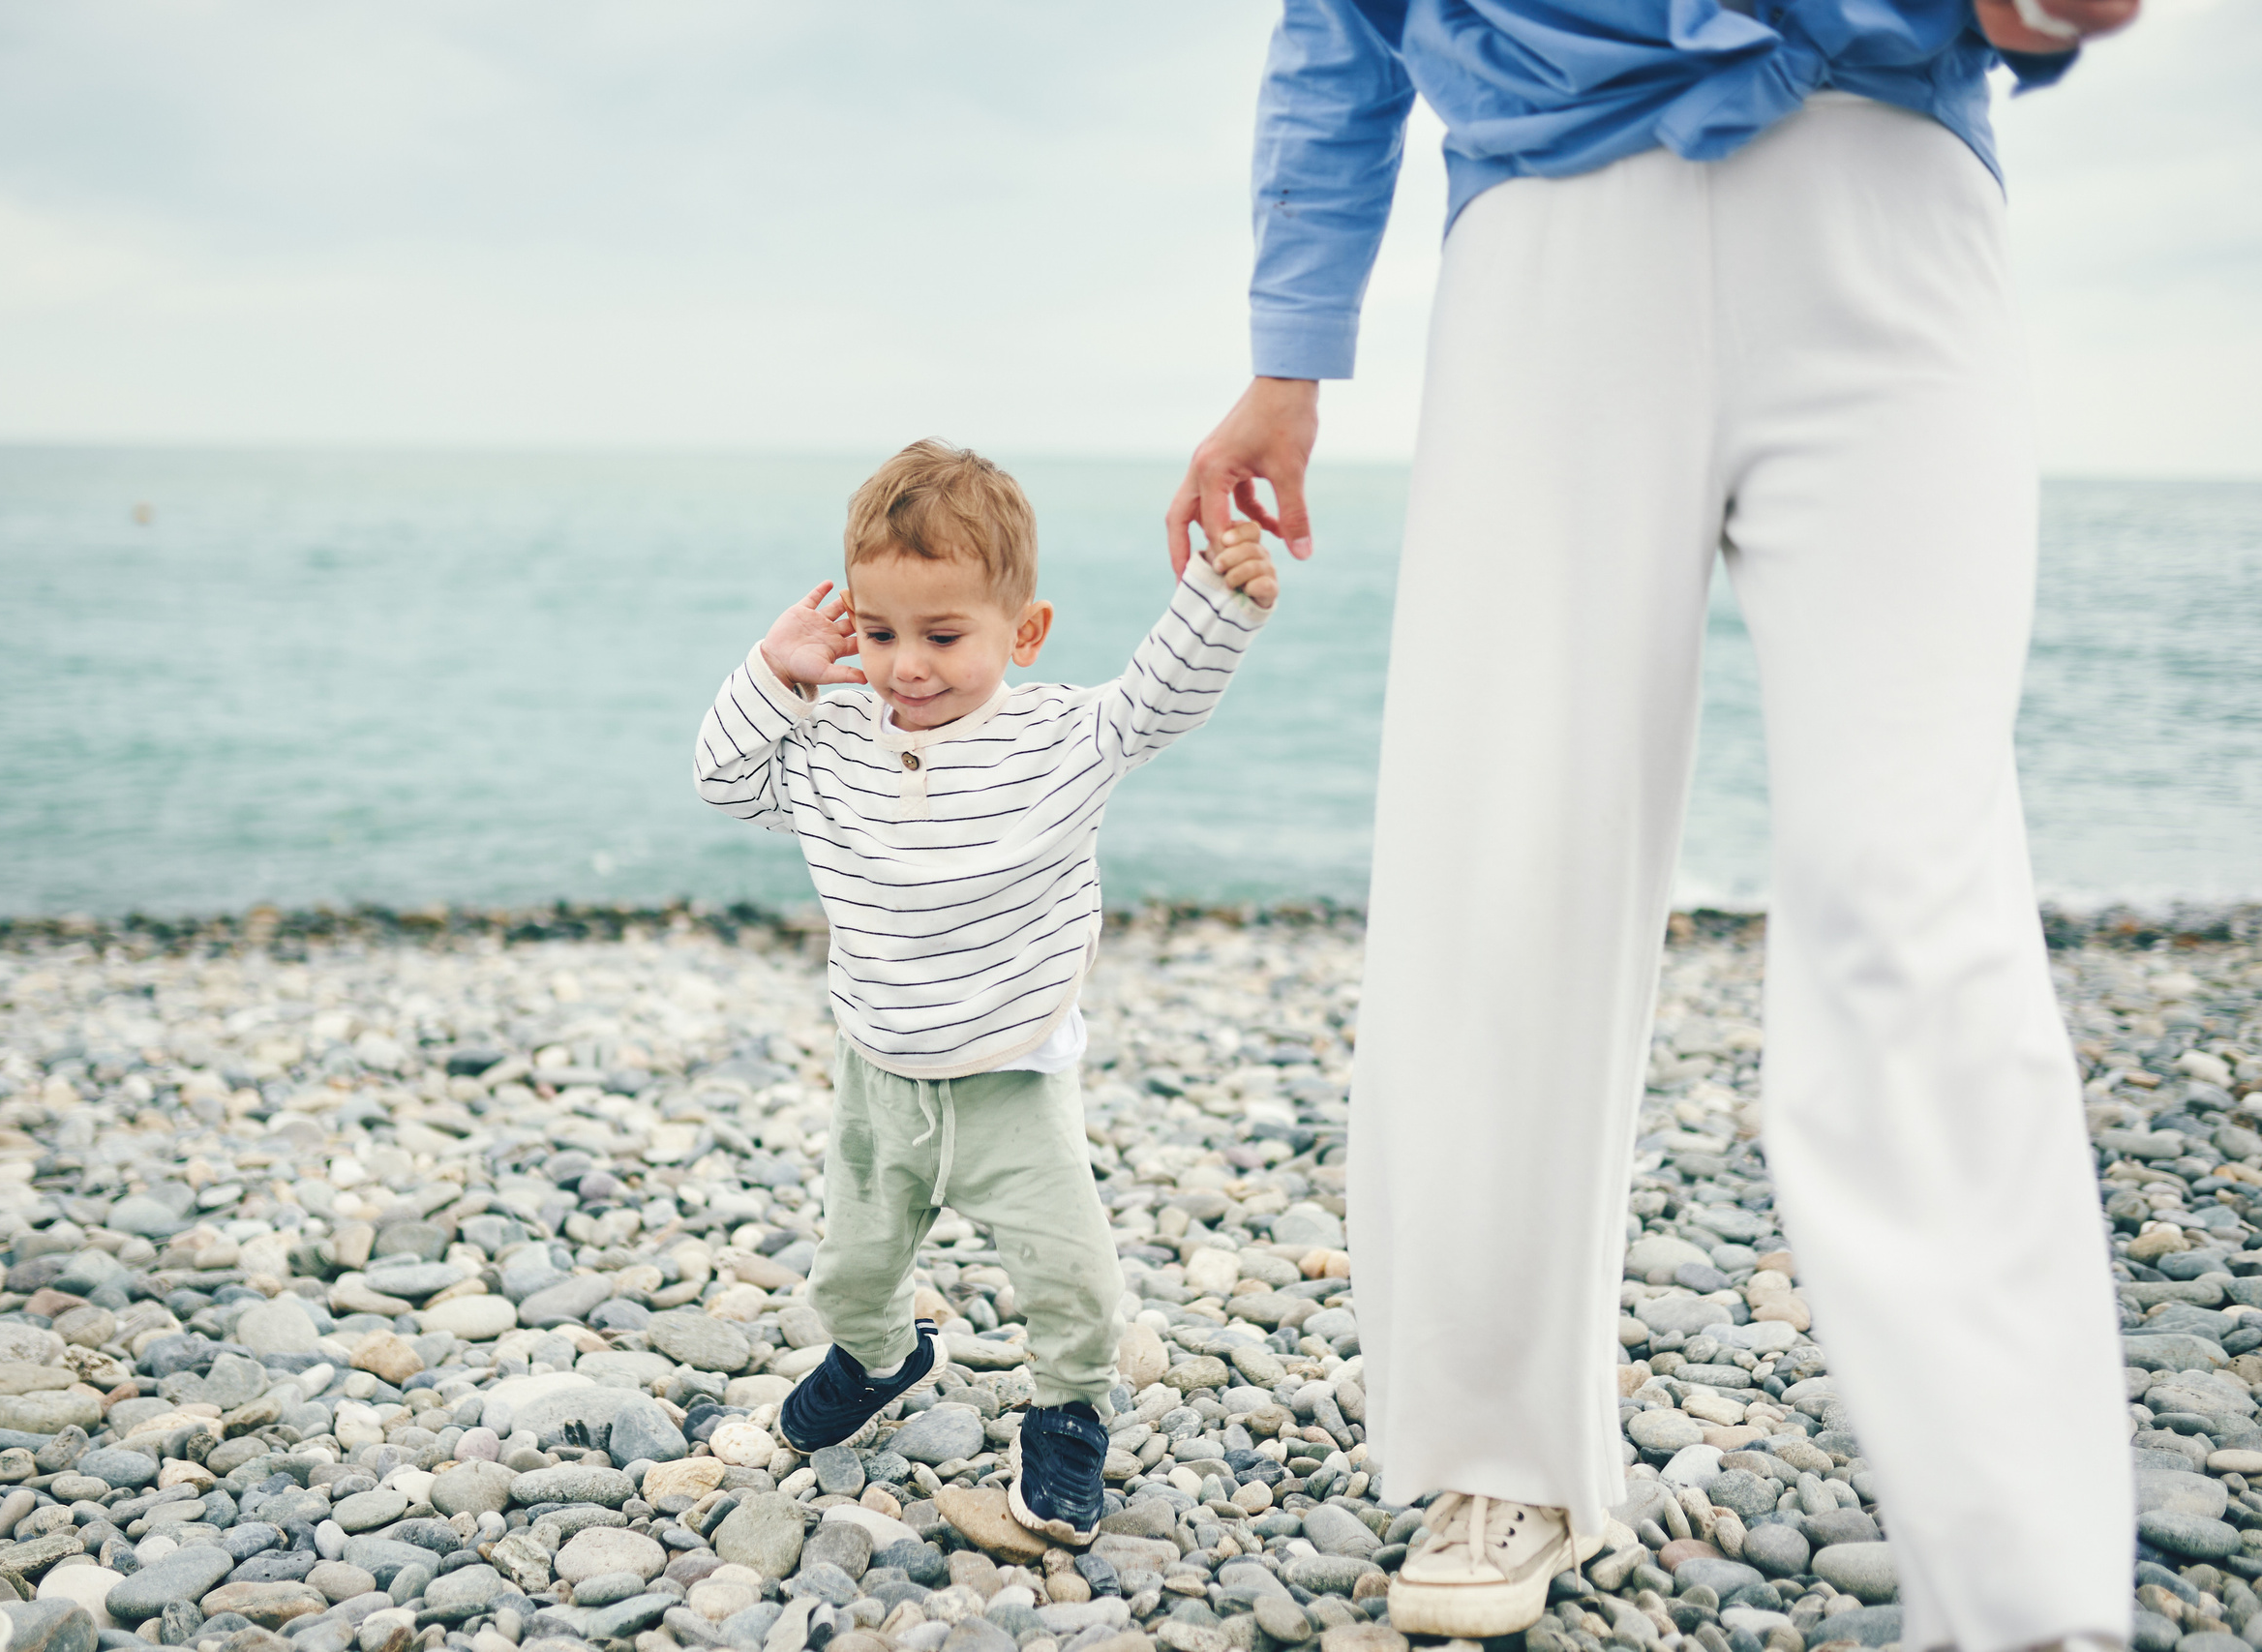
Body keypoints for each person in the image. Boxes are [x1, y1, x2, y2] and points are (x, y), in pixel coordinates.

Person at [1167, 0, 2142, 1640]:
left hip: (1884, 185)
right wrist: (1290, 347)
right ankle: (1503, 1450)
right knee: (1507, 866)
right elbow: (1341, 18)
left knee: (1914, 887)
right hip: (1550, 222)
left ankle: (2032, 1594)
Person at [695, 439, 1279, 1540]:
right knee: (851, 1265)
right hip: (880, 1080)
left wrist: (1217, 596)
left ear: (1024, 632)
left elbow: (1157, 699)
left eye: (943, 634)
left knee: (1071, 1277)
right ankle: (878, 1360)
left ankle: (1066, 1419)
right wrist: (774, 672)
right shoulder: (831, 744)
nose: (906, 664)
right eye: (878, 633)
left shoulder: (1058, 737)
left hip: (1013, 1079)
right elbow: (724, 780)